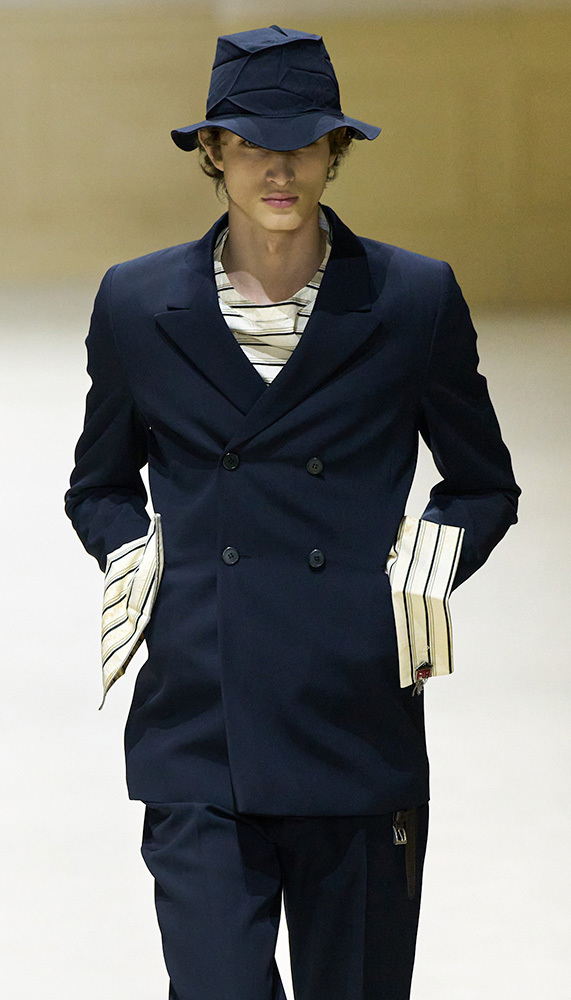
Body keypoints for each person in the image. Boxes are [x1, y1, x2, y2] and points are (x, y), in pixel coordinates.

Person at [64, 24, 520, 1000]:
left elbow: (482, 483)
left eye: (304, 141)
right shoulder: (138, 305)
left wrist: (421, 572)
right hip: (200, 724)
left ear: (334, 148)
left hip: (353, 721)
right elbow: (98, 484)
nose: (279, 167)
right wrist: (138, 558)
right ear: (212, 150)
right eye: (251, 143)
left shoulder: (409, 300)